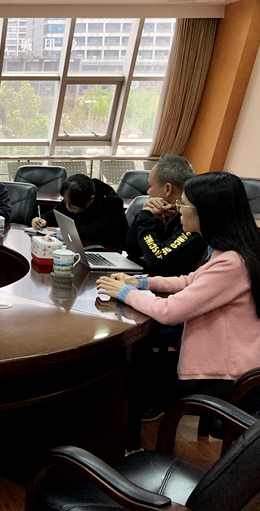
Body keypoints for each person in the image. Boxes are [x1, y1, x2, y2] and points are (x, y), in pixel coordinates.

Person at [97, 172, 260, 411]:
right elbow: (190, 281)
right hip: (219, 361)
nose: (179, 210)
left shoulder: (232, 263)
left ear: (207, 212)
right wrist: (141, 282)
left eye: (184, 205)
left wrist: (125, 292)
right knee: (134, 368)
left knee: (129, 377)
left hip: (226, 375)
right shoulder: (229, 251)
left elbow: (170, 312)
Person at [125, 154, 206, 276]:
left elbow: (157, 261)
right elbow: (132, 249)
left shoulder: (193, 220)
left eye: (150, 186)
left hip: (179, 284)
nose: (148, 192)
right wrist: (145, 214)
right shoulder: (161, 211)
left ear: (167, 189)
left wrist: (145, 219)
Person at [32, 173, 128, 250]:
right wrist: (42, 220)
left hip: (110, 250)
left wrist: (62, 229)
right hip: (82, 246)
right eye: (65, 202)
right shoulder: (73, 197)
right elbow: (55, 214)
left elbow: (93, 231)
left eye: (73, 207)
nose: (67, 207)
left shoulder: (112, 204)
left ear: (90, 200)